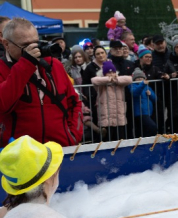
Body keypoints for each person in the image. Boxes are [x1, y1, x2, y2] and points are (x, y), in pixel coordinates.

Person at [0, 17, 83, 147]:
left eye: (36, 43)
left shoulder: (54, 65)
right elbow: (3, 104)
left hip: (60, 150)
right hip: (20, 156)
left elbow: (74, 102)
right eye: (26, 45)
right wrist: (26, 65)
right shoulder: (2, 68)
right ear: (6, 44)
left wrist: (73, 136)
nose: (34, 49)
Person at [91, 62, 132, 141]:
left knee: (120, 140)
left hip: (118, 115)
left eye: (113, 72)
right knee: (107, 139)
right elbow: (93, 80)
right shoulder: (101, 83)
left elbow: (129, 79)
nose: (111, 74)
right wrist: (108, 79)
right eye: (108, 72)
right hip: (106, 116)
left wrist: (116, 79)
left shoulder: (119, 81)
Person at [130, 68, 157, 137]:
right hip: (140, 112)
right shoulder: (133, 85)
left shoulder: (147, 87)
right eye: (138, 78)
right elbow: (135, 93)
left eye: (141, 78)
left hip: (148, 112)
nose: (140, 79)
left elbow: (155, 99)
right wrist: (142, 84)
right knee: (152, 126)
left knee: (144, 130)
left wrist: (150, 94)